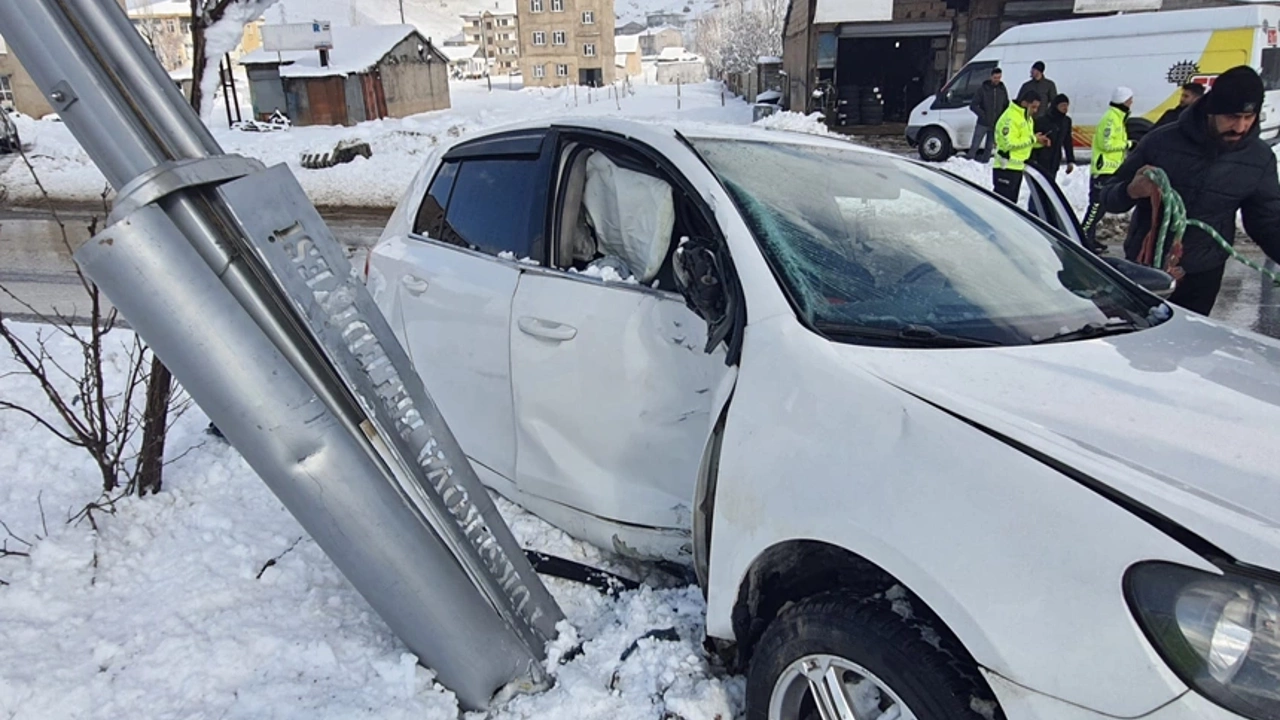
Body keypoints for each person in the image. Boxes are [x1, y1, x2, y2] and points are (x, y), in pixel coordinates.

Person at [1103, 66, 1280, 315]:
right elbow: (1108, 196)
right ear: (1211, 110)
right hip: (1146, 271)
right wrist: (1131, 190)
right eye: (1231, 117)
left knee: (1189, 348)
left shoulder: (1259, 159)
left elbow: (1267, 221)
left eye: (1248, 118)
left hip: (1203, 276)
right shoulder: (1160, 142)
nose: (1240, 127)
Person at [1079, 86, 1135, 253]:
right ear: (1124, 101)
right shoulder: (1111, 119)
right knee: (1095, 207)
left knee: (1101, 207)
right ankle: (1081, 237)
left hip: (1111, 170)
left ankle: (1091, 238)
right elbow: (1106, 144)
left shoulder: (1118, 118)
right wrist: (1128, 144)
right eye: (1130, 99)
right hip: (1103, 170)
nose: (1132, 102)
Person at [992, 89, 1049, 203]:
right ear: (1024, 103)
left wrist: (1039, 142)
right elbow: (1009, 143)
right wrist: (1033, 138)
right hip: (1005, 167)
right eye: (1033, 107)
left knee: (1011, 205)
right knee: (1001, 206)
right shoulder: (1010, 117)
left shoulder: (1027, 118)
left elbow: (1023, 142)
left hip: (1017, 168)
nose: (1035, 110)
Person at [1028, 93, 1075, 179]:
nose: (1065, 108)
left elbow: (1067, 141)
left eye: (1067, 105)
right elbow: (1034, 138)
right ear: (1056, 106)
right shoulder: (1043, 120)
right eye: (1062, 105)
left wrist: (1070, 160)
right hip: (1041, 158)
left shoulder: (1066, 121)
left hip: (1055, 159)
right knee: (1039, 187)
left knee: (1049, 187)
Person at [968, 67, 1009, 163]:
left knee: (989, 147)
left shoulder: (1002, 89)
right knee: (975, 145)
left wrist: (1002, 118)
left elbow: (1006, 105)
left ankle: (985, 164)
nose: (997, 80)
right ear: (991, 77)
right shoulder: (982, 89)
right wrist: (983, 115)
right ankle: (968, 162)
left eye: (999, 77)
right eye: (995, 78)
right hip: (983, 123)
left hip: (996, 124)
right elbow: (973, 105)